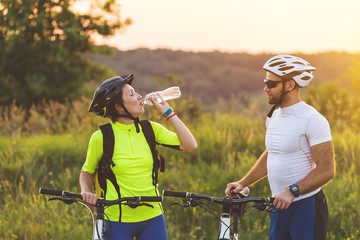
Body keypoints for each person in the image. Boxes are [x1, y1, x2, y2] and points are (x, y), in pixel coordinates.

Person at [226, 55, 335, 240]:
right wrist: (243, 183)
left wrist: (292, 190)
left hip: (306, 206)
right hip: (280, 204)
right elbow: (272, 154)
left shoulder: (313, 119)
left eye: (271, 84)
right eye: (265, 82)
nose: (265, 89)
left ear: (290, 85)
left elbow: (327, 170)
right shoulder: (274, 115)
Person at [79, 74, 197, 240]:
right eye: (132, 94)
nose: (140, 97)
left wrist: (167, 112)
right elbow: (87, 171)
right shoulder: (101, 137)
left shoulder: (150, 129)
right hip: (116, 221)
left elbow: (190, 145)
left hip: (153, 218)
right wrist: (85, 191)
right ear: (120, 107)